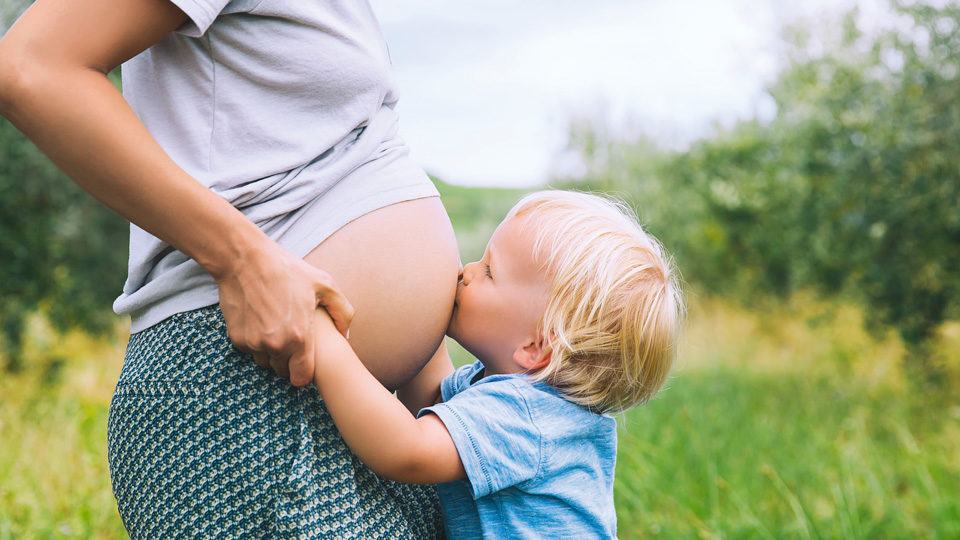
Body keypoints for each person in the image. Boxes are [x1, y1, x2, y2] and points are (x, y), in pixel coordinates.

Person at [0, 0, 459, 537]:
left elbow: (350, 158)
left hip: (365, 416)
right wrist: (242, 258)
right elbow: (32, 67)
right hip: (242, 398)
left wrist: (430, 367)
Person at [307, 190, 684, 539]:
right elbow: (429, 402)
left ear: (535, 346)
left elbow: (408, 450)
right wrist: (421, 301)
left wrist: (322, 336)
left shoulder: (526, 416)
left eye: (489, 271)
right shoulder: (507, 390)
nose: (467, 272)